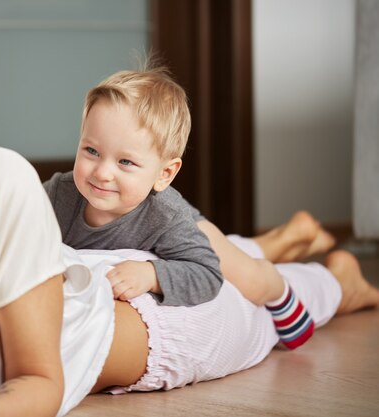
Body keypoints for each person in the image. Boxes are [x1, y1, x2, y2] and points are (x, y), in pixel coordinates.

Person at [0, 1, 379, 417]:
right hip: (100, 264)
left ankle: (336, 279)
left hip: (156, 320)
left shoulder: (0, 181)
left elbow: (37, 381)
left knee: (252, 295)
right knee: (202, 243)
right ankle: (276, 240)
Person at [43, 68, 327, 349]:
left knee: (249, 279)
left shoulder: (167, 217)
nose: (102, 173)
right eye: (91, 151)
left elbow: (207, 275)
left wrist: (151, 275)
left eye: (125, 162)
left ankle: (279, 288)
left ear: (164, 174)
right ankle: (288, 238)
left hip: (190, 224)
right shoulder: (58, 193)